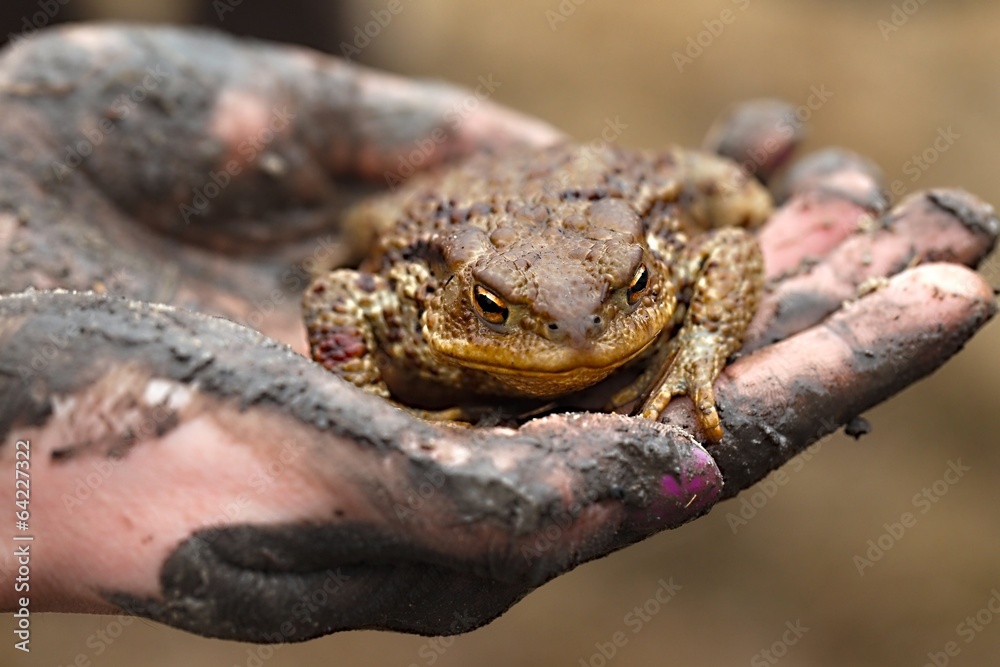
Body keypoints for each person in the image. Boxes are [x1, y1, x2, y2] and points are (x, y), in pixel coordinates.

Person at [0, 24, 994, 643]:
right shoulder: (416, 295)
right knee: (367, 223)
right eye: (502, 319)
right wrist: (368, 393)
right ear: (453, 304)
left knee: (731, 192)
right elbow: (344, 291)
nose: (570, 341)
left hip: (591, 209)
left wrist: (697, 346)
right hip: (461, 222)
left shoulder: (654, 259)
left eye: (626, 299)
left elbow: (728, 251)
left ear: (644, 274)